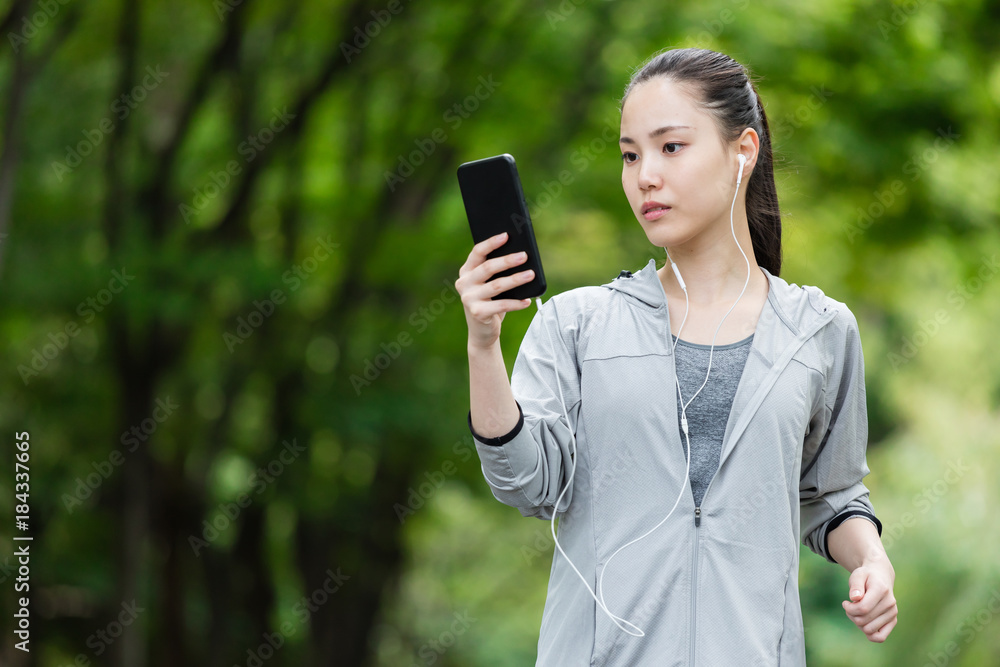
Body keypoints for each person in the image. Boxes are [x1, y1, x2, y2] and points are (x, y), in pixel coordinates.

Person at [455, 47, 897, 666]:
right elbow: (526, 482)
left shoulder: (818, 330)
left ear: (743, 150)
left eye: (671, 147)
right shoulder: (579, 322)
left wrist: (872, 560)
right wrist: (483, 344)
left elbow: (831, 494)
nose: (645, 177)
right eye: (630, 154)